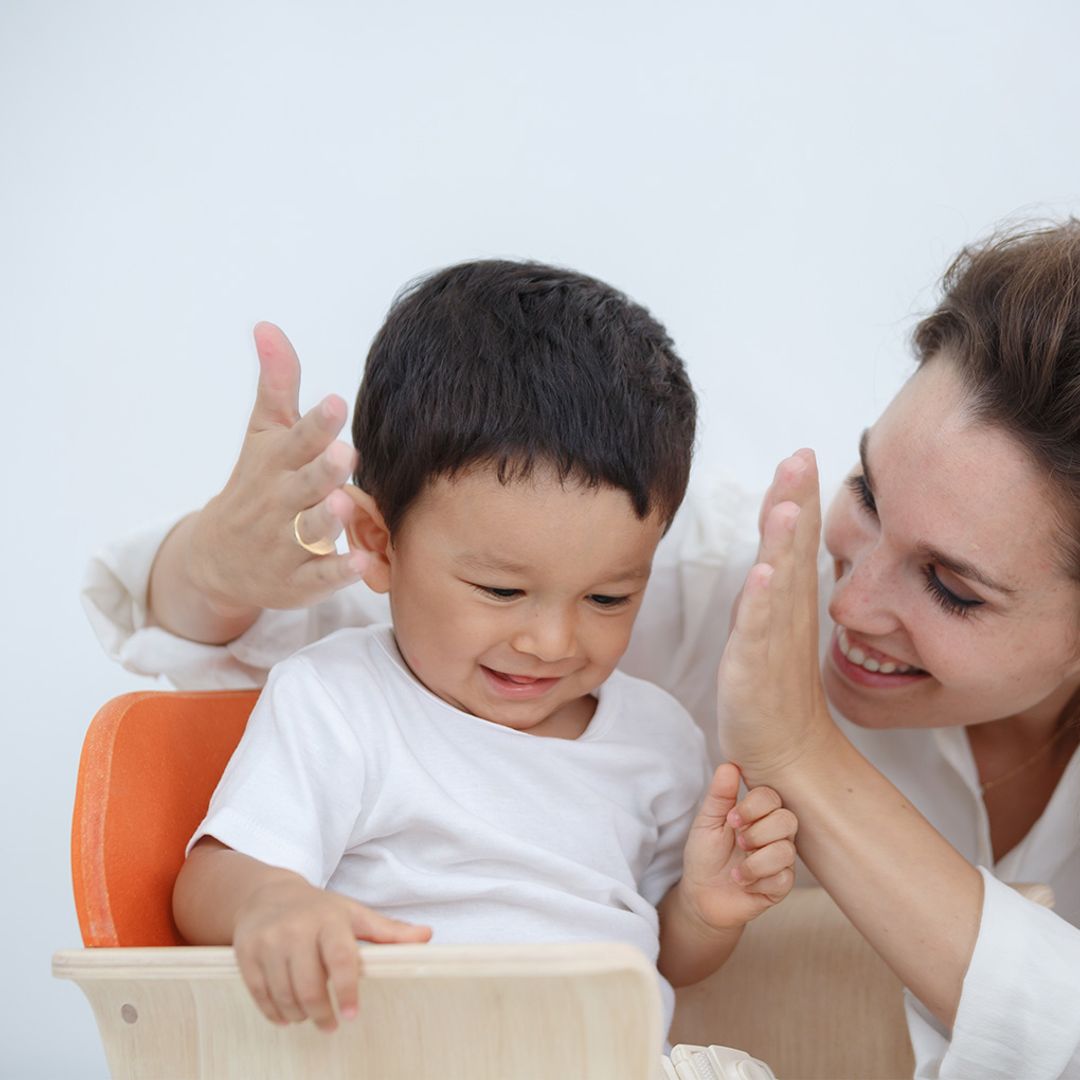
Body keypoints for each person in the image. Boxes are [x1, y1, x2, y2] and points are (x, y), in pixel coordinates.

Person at [83, 222, 1080, 1079]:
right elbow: (287, 621)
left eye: (953, 587)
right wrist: (212, 569)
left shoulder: (650, 726)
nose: (847, 602)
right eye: (865, 492)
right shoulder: (379, 674)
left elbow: (657, 939)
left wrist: (717, 892)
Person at [168, 260, 799, 1037]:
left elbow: (662, 958)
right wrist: (273, 903)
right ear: (380, 543)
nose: (551, 642)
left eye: (608, 598)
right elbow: (208, 878)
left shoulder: (659, 740)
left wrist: (704, 909)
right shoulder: (341, 702)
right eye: (501, 591)